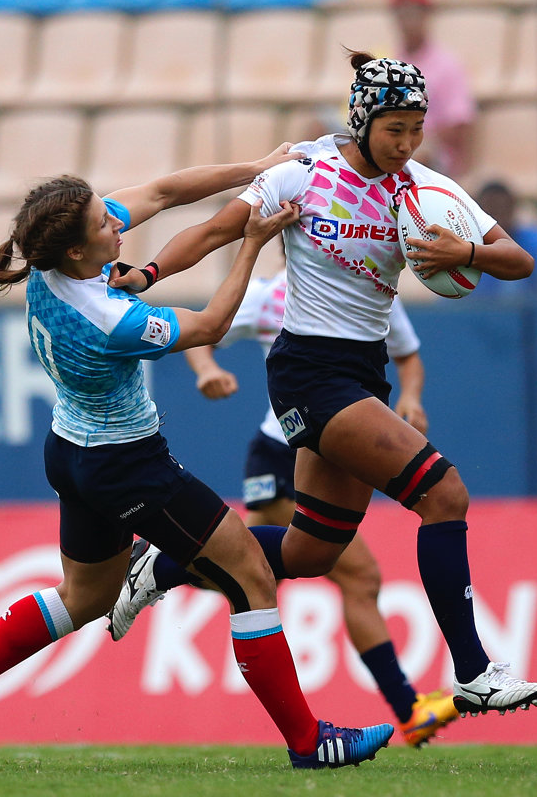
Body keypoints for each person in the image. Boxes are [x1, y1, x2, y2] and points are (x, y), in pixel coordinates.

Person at [0, 151, 398, 771]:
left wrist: (261, 167)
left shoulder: (55, 267)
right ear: (79, 252)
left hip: (70, 451)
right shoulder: (108, 318)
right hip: (129, 467)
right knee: (252, 577)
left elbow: (162, 191)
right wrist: (252, 242)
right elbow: (214, 324)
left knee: (82, 597)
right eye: (102, 224)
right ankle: (307, 741)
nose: (115, 223)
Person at [109, 52, 537, 719]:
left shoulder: (424, 188)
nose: (406, 144)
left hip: (361, 372)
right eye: (394, 128)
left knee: (310, 553)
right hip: (307, 374)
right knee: (444, 494)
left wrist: (468, 253)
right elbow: (212, 230)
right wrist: (145, 276)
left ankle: (162, 565)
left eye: (416, 130)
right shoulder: (304, 175)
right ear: (363, 119)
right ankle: (473, 672)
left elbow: (518, 260)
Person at [109, 269, 459, 747]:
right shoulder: (272, 293)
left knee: (264, 572)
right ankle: (409, 710)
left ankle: (161, 565)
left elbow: (408, 354)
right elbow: (198, 332)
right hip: (282, 452)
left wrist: (412, 397)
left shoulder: (377, 287)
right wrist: (208, 368)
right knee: (333, 574)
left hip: (330, 450)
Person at [389, 0, 476, 179]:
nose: (407, 20)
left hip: (432, 153)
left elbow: (459, 126)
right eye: (402, 12)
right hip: (393, 143)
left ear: (426, 16)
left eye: (412, 12)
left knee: (414, 152)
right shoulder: (389, 60)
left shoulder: (447, 64)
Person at [474, 181, 537, 300]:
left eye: (503, 209)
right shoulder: (470, 248)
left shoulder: (535, 240)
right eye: (491, 212)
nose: (498, 218)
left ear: (513, 208)